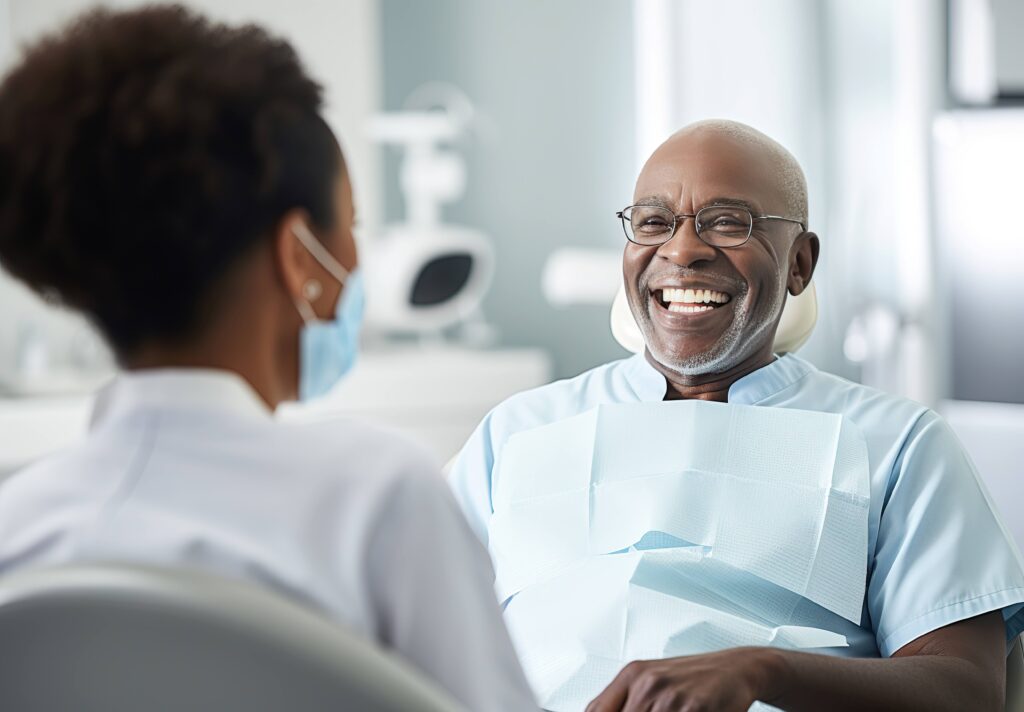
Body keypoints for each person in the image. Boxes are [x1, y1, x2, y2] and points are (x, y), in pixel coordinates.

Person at [0, 7, 535, 710]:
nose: (356, 258)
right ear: (298, 258)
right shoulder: (377, 498)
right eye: (352, 225)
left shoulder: (19, 531)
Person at [449, 119, 1024, 711]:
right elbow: (404, 637)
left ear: (800, 263)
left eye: (728, 223)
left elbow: (967, 691)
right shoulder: (517, 433)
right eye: (652, 222)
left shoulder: (896, 444)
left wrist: (764, 670)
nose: (682, 250)